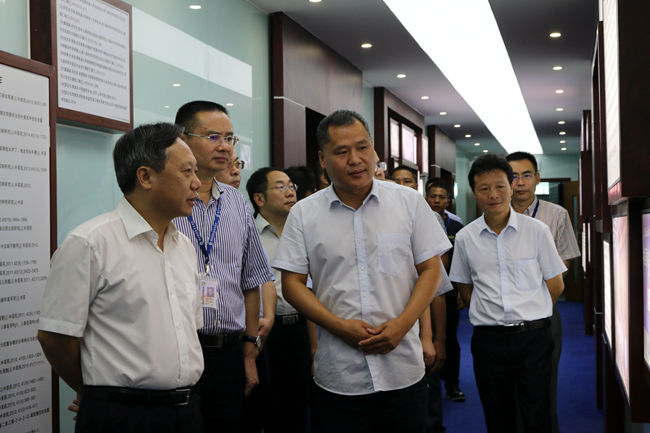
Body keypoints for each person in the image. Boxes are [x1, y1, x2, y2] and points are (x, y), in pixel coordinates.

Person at [274, 110, 450, 433]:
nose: (355, 159)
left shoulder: (409, 203)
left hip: (403, 368)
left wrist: (403, 324)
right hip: (340, 373)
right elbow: (292, 285)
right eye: (342, 151)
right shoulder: (303, 214)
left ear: (374, 149)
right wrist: (340, 327)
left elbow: (430, 269)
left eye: (363, 147)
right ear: (322, 159)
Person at [37, 123, 205, 433]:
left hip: (187, 411)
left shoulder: (184, 247)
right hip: (121, 416)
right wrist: (93, 393)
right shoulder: (90, 243)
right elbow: (55, 337)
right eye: (187, 172)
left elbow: (189, 330)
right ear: (145, 177)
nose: (197, 183)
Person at [174, 101, 274, 433]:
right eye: (213, 137)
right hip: (177, 350)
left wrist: (249, 352)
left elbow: (252, 280)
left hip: (228, 352)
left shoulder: (236, 203)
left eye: (230, 138)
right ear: (182, 139)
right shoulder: (167, 201)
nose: (225, 147)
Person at [449, 154, 566, 433]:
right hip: (489, 341)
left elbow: (556, 284)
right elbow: (465, 288)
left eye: (500, 186)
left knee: (537, 415)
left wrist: (531, 311)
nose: (493, 195)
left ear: (511, 187)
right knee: (497, 415)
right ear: (474, 191)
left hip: (533, 339)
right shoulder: (465, 238)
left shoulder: (537, 231)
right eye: (484, 188)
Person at [506, 151, 580, 433]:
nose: (520, 182)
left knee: (543, 388)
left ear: (537, 178)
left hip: (545, 312)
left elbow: (564, 265)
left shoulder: (556, 214)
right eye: (513, 176)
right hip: (502, 317)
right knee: (506, 392)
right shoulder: (495, 213)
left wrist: (537, 302)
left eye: (526, 175)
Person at [247, 167, 311, 433]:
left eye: (291, 185)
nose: (290, 192)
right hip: (264, 332)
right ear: (259, 198)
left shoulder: (304, 231)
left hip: (303, 327)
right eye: (280, 186)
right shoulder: (248, 234)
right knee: (264, 405)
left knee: (299, 405)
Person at [390, 166, 449, 433]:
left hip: (418, 323)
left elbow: (435, 288)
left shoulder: (423, 215)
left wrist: (434, 337)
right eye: (396, 181)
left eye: (408, 181)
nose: (402, 186)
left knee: (427, 387)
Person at [425, 178, 466, 402]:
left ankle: (452, 384)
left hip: (449, 291)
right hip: (426, 292)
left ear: (448, 201)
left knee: (449, 338)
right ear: (427, 198)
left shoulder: (456, 225)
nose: (437, 201)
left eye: (441, 197)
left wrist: (460, 290)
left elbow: (461, 260)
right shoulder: (421, 220)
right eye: (433, 196)